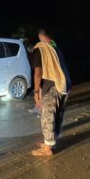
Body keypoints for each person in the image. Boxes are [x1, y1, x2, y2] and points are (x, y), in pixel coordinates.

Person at [31, 28, 71, 157]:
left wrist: (36, 91)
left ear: (40, 36)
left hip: (52, 85)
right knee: (57, 114)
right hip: (64, 83)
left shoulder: (40, 48)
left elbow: (38, 72)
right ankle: (50, 142)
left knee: (47, 116)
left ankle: (47, 149)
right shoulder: (54, 46)